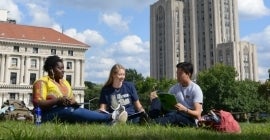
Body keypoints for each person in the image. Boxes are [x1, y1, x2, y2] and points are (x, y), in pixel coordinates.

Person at [32, 55, 127, 124]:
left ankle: (108, 121)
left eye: (63, 68)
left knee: (76, 111)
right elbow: (38, 103)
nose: (63, 70)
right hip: (46, 115)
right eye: (59, 68)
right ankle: (111, 117)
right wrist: (57, 101)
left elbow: (71, 99)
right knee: (69, 110)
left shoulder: (65, 83)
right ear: (51, 69)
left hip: (66, 111)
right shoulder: (42, 82)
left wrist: (73, 102)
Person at [149, 62, 203, 127]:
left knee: (175, 117)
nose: (177, 76)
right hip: (174, 112)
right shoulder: (174, 88)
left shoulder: (195, 89)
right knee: (157, 97)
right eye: (177, 73)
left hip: (189, 119)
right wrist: (155, 99)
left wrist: (185, 109)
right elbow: (166, 104)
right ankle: (150, 119)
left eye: (180, 74)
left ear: (188, 74)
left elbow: (198, 114)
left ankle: (153, 123)